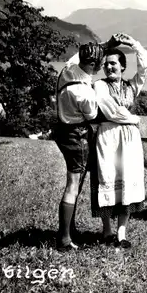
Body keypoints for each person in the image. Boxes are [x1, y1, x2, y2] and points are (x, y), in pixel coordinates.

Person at [89, 33, 147, 249]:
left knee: (127, 180)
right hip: (108, 137)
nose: (109, 68)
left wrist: (134, 44)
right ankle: (107, 230)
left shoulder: (132, 86)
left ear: (122, 66)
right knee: (107, 178)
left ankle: (121, 233)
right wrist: (133, 118)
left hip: (129, 141)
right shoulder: (99, 86)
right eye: (106, 64)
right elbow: (110, 110)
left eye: (113, 64)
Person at [53, 41, 105, 251]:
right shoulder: (84, 92)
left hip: (62, 131)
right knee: (73, 185)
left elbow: (74, 58)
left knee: (75, 183)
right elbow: (92, 116)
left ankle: (69, 228)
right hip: (77, 136)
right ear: (93, 64)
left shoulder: (68, 71)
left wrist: (103, 45)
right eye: (100, 62)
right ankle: (64, 238)